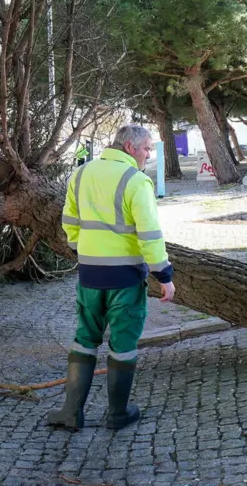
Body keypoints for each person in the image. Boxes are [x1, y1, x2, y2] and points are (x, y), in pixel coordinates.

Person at [48, 125, 175, 431]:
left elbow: (70, 221)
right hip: (125, 278)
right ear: (130, 147)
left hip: (89, 274)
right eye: (146, 148)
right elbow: (149, 234)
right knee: (123, 343)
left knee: (85, 338)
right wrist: (164, 275)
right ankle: (117, 414)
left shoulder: (80, 174)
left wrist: (84, 249)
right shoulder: (136, 181)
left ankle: (71, 412)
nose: (148, 155)